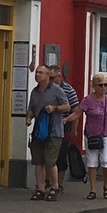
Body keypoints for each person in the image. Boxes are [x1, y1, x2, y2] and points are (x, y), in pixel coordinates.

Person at [67, 73, 107, 200]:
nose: (103, 87)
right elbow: (77, 113)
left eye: (105, 85)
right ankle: (93, 190)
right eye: (100, 85)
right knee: (92, 161)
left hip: (106, 133)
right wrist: (66, 120)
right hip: (91, 134)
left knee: (105, 160)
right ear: (94, 86)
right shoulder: (88, 100)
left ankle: (106, 185)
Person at [25, 65, 70, 201]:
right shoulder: (35, 92)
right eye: (36, 72)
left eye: (40, 73)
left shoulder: (57, 90)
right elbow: (31, 108)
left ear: (47, 76)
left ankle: (55, 187)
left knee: (50, 161)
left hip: (54, 131)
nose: (37, 74)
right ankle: (40, 189)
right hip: (39, 131)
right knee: (38, 162)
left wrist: (55, 108)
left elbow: (67, 106)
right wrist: (29, 117)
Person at [48, 65, 79, 193]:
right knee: (48, 156)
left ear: (59, 76)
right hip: (48, 126)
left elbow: (76, 111)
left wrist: (73, 129)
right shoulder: (45, 89)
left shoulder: (68, 90)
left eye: (52, 77)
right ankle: (47, 181)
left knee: (61, 155)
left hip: (63, 126)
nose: (49, 80)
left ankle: (59, 183)